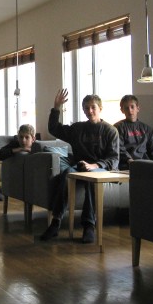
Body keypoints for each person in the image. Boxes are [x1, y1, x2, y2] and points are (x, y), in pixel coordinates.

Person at [41, 89, 119, 244]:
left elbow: (113, 159)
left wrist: (94, 165)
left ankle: (89, 226)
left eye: (93, 107)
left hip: (100, 168)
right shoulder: (77, 128)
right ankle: (55, 222)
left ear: (100, 108)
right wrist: (56, 107)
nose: (90, 111)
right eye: (86, 108)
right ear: (83, 110)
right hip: (79, 166)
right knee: (66, 174)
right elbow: (54, 129)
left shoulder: (111, 131)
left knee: (91, 178)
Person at [113, 94, 153, 169]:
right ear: (122, 110)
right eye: (126, 108)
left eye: (132, 107)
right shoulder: (118, 128)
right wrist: (129, 160)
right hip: (126, 165)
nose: (130, 110)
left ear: (138, 108)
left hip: (145, 164)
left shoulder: (147, 129)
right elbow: (118, 148)